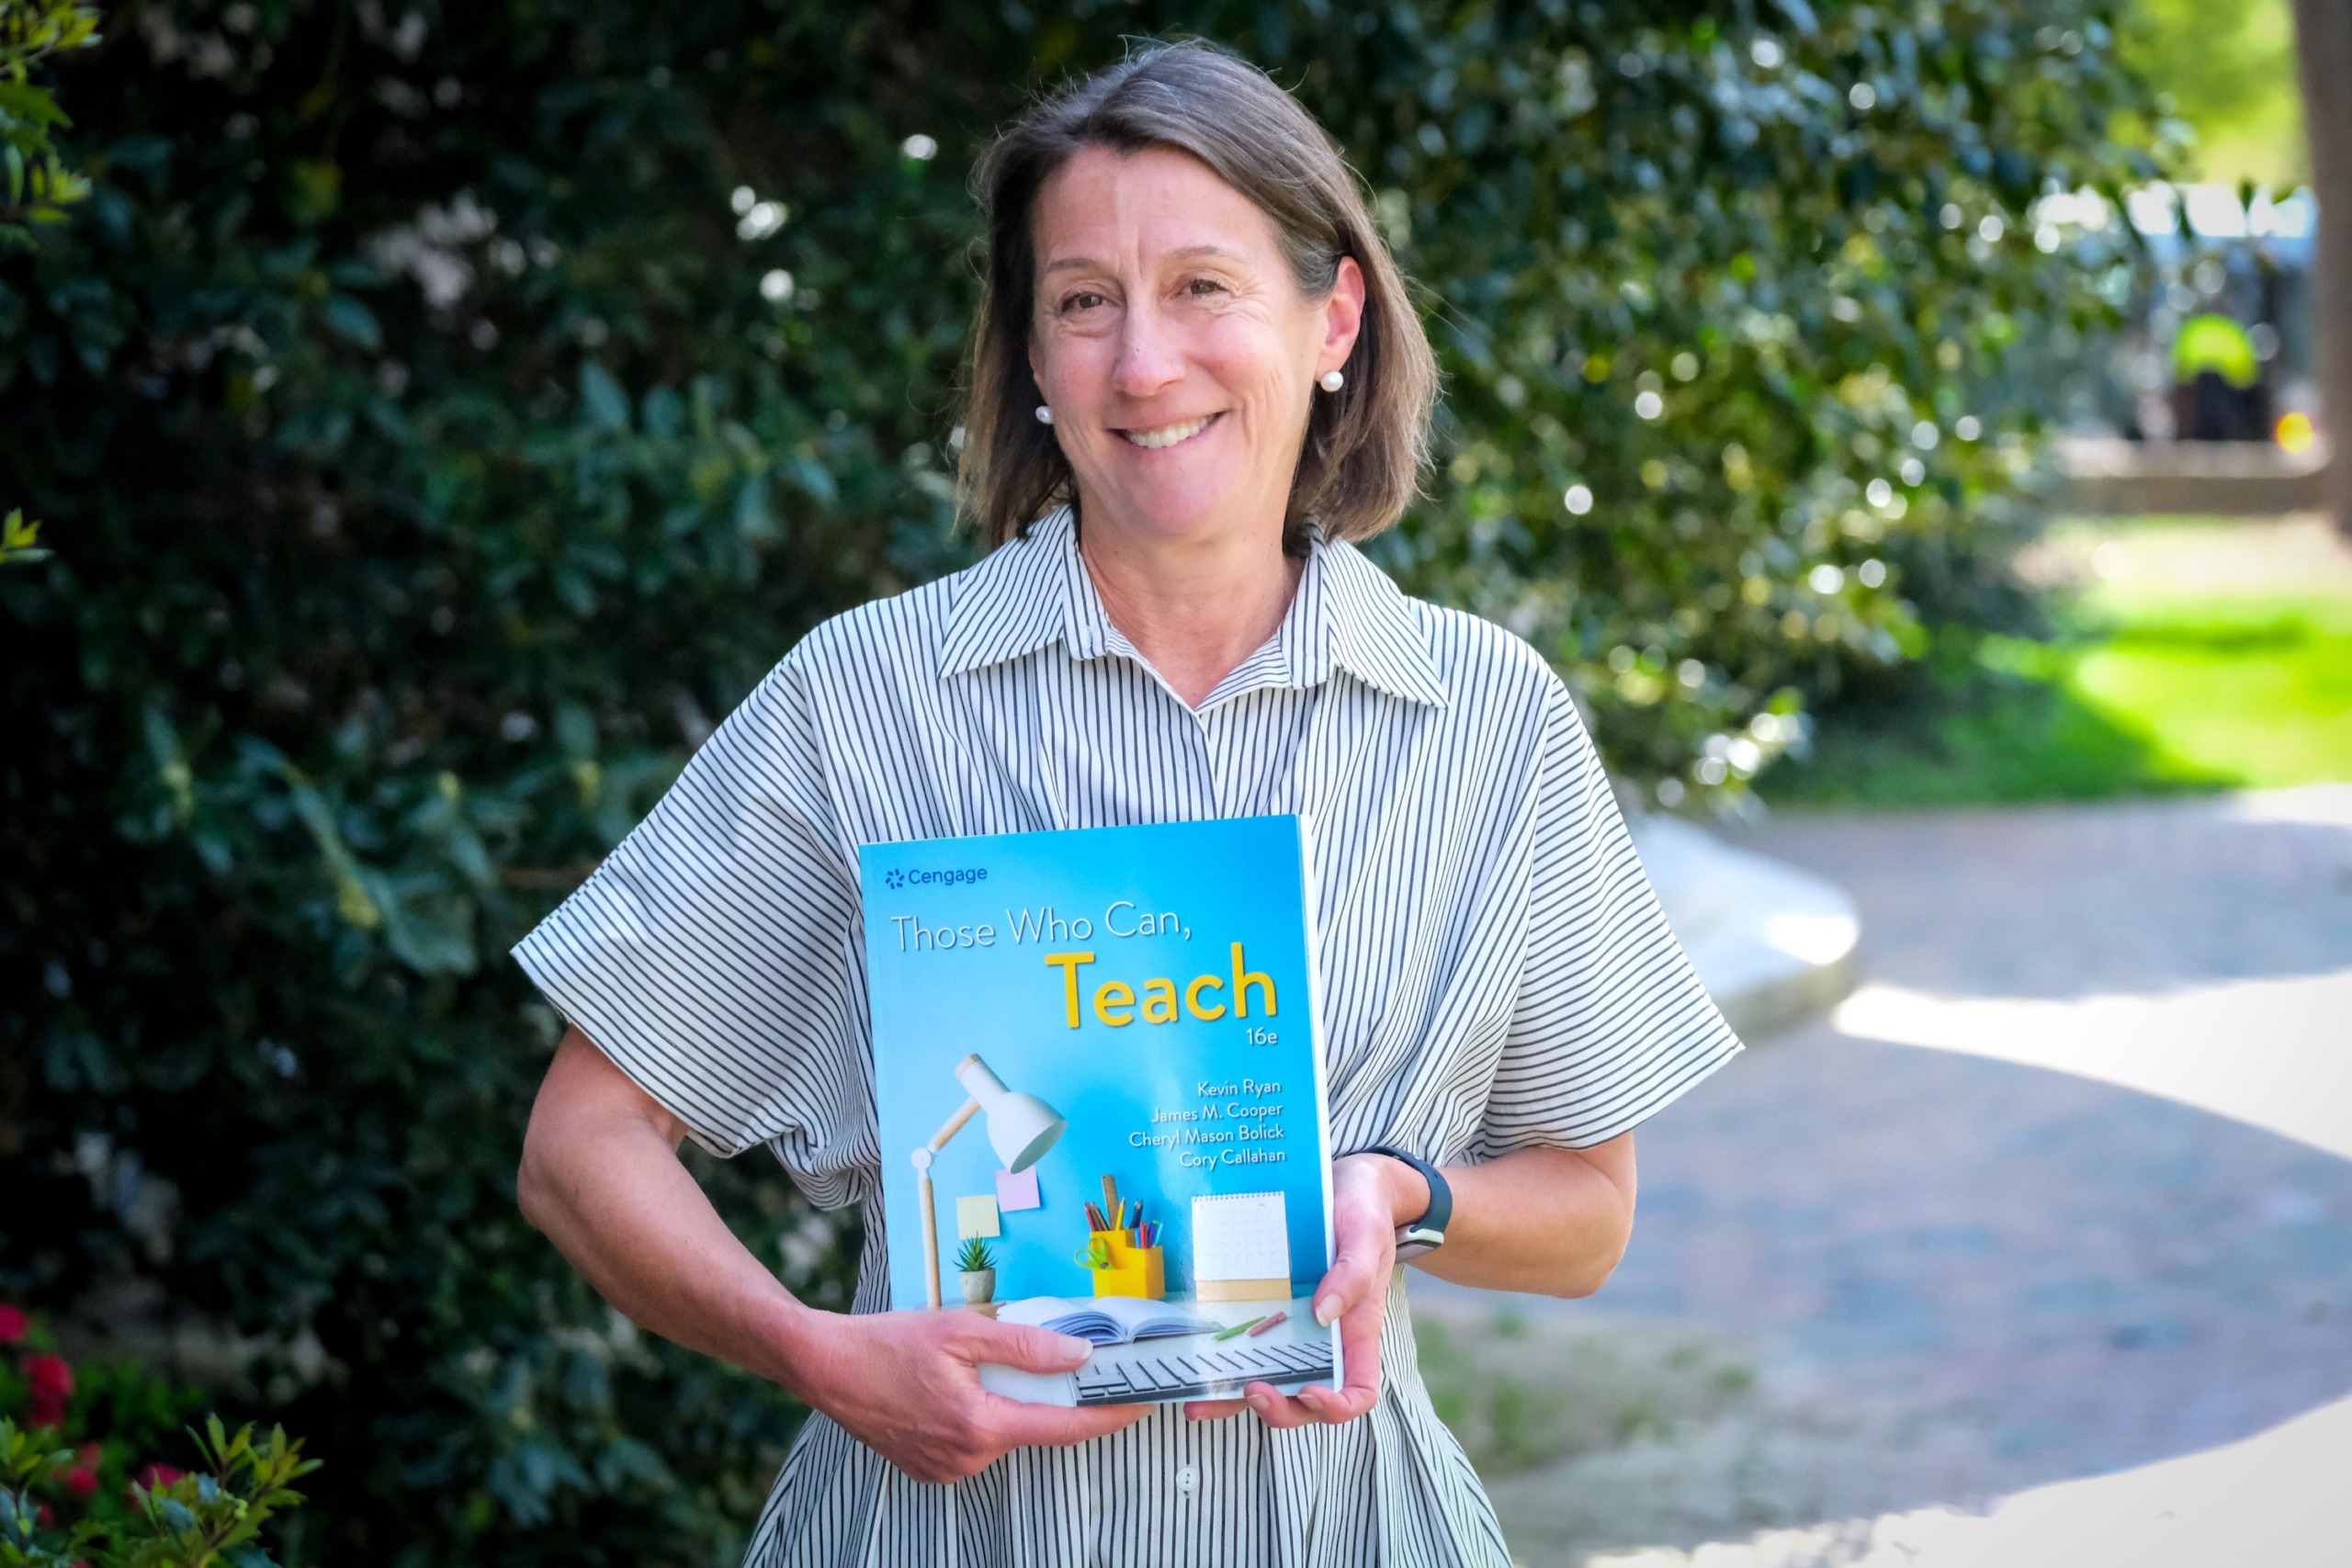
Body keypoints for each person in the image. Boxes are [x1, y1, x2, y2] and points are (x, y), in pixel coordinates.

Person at [514, 40, 1739, 1567]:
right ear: (1032, 358)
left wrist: (1403, 1195)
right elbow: (582, 1145)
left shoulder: (1488, 725)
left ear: (1334, 318)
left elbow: (1589, 1213)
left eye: (1205, 287)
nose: (1143, 364)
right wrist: (816, 1353)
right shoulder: (864, 702)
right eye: (1084, 301)